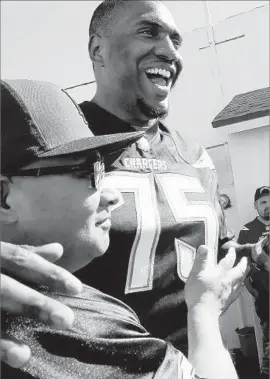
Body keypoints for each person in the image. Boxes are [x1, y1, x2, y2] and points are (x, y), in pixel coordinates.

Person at [2, 0, 267, 367]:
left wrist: (252, 255)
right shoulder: (56, 145)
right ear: (98, 49)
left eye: (177, 40)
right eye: (149, 31)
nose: (170, 50)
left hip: (200, 362)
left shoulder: (194, 153)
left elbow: (211, 252)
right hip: (83, 366)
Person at [237, 186, 269, 379]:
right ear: (255, 205)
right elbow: (242, 264)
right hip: (266, 296)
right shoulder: (247, 230)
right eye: (263, 202)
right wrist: (251, 289)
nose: (268, 206)